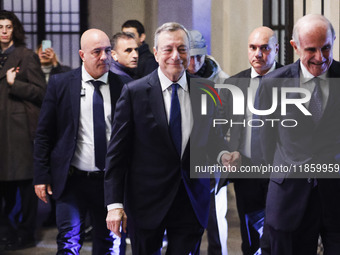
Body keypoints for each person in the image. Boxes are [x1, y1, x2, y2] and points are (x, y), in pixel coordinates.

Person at [105, 22, 228, 255]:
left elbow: (213, 139)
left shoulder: (206, 91)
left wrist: (224, 155)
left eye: (182, 49)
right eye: (168, 49)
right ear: (156, 53)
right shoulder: (134, 92)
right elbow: (117, 153)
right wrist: (115, 205)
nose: (175, 56)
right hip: (146, 202)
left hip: (191, 200)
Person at [33, 28, 125, 255]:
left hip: (108, 181)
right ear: (82, 55)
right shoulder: (61, 84)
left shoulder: (123, 86)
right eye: (96, 52)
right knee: (68, 241)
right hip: (71, 179)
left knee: (108, 242)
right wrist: (41, 176)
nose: (103, 57)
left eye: (107, 51)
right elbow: (44, 133)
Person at [259, 14, 340, 255]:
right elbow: (266, 143)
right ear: (295, 47)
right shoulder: (273, 84)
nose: (320, 57)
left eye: (326, 48)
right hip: (289, 197)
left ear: (334, 40)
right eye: (311, 50)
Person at [218, 26, 282, 255]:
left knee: (280, 236)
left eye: (264, 48)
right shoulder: (234, 84)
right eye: (253, 48)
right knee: (251, 240)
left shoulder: (292, 80)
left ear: (276, 48)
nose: (258, 53)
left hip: (282, 175)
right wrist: (225, 153)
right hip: (247, 171)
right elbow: (218, 129)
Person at [0, 10, 46, 250]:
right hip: (2, 134)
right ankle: (7, 232)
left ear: (14, 29)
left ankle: (26, 233)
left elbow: (42, 92)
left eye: (8, 26)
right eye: (0, 26)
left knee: (25, 187)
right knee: (5, 188)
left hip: (19, 132)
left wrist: (14, 84)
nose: (4, 31)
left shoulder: (26, 56)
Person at [187, 29, 229, 255]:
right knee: (186, 221)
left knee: (216, 220)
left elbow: (231, 125)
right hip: (185, 159)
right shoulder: (178, 79)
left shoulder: (223, 82)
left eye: (199, 57)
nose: (193, 63)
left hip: (213, 159)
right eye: (189, 57)